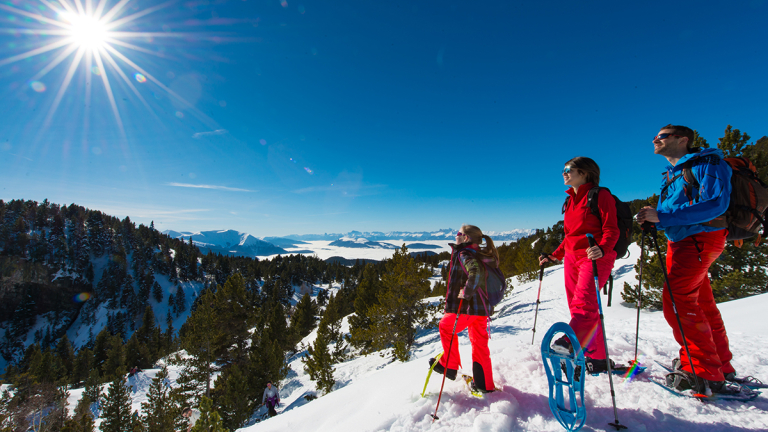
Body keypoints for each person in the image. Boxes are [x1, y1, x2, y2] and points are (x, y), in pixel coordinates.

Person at [637, 124, 736, 395]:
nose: (655, 139)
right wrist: (655, 219)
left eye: (662, 136)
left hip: (699, 239)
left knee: (678, 302)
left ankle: (702, 371)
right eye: (655, 136)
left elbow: (716, 203)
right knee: (701, 302)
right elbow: (676, 208)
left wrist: (664, 218)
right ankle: (719, 364)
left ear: (683, 139)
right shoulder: (672, 173)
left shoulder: (708, 163)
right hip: (683, 241)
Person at [539, 156, 619, 373]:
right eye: (563, 169)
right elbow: (570, 236)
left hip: (594, 257)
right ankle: (598, 358)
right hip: (572, 259)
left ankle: (569, 345)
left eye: (569, 169)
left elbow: (612, 228)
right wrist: (555, 256)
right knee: (579, 308)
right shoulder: (570, 200)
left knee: (584, 304)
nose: (564, 173)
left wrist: (602, 248)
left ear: (584, 173)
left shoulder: (600, 195)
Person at [428, 224, 500, 394]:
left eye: (458, 234)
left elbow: (475, 272)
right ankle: (485, 384)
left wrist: (466, 292)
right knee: (480, 345)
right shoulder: (479, 254)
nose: (455, 236)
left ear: (466, 238)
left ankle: (449, 365)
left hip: (467, 308)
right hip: (481, 309)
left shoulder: (464, 253)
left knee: (446, 326)